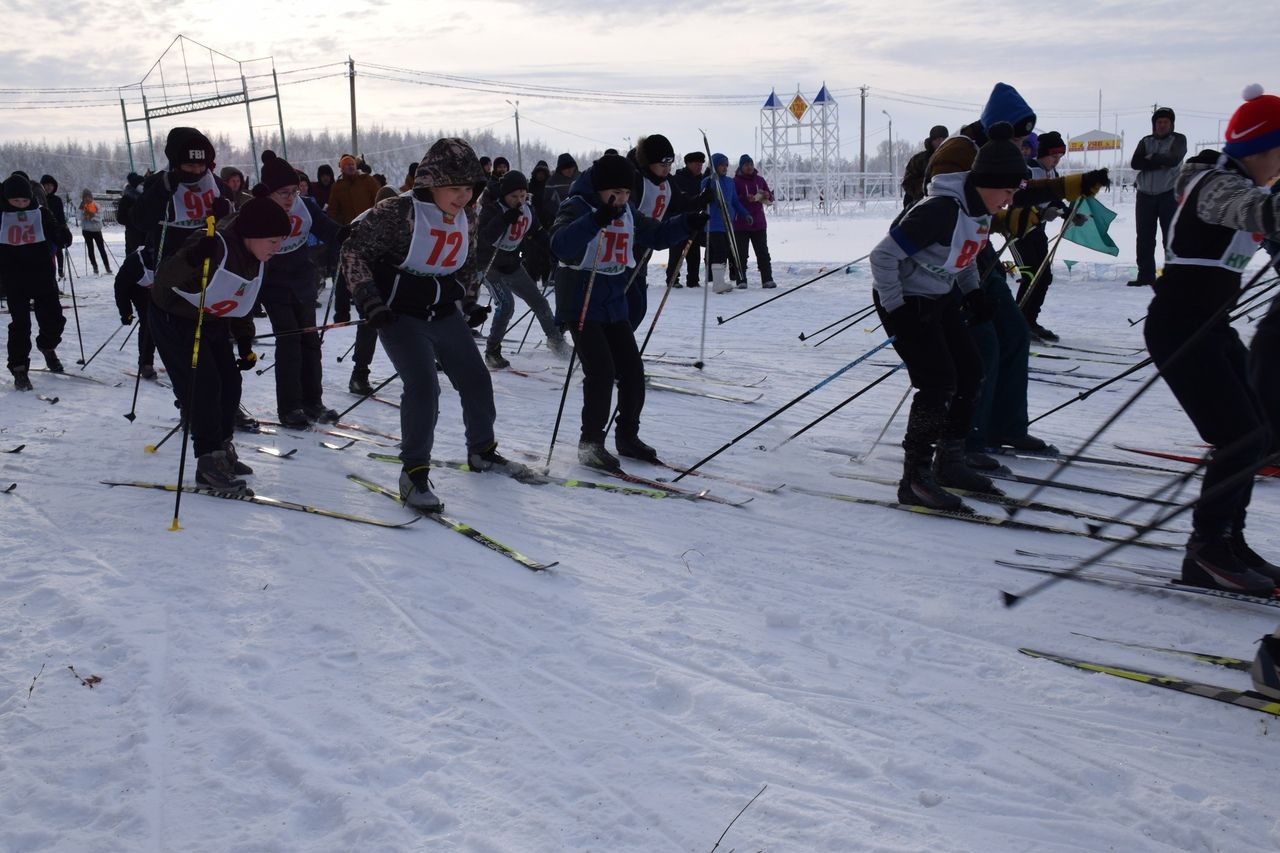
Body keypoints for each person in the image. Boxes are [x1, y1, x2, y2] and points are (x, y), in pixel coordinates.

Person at [926, 83, 1109, 465]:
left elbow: (1020, 188)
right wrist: (1011, 217)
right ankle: (966, 438)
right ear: (999, 125)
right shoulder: (959, 150)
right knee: (982, 343)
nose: (1026, 141)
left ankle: (1006, 425)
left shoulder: (999, 151)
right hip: (949, 258)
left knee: (1013, 332)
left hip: (979, 252)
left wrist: (1070, 187)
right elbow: (961, 203)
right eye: (1020, 132)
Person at [1143, 84, 1280, 594]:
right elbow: (1258, 214)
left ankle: (1229, 540)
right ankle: (1206, 550)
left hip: (1209, 326)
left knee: (1259, 431)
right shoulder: (1217, 185)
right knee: (1239, 435)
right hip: (1180, 329)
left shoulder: (1246, 185)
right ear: (1263, 149)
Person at [341, 137, 512, 511]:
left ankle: (482, 450)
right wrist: (370, 301)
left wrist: (468, 302)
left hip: (444, 312)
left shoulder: (468, 215)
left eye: (469, 188)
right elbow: (353, 250)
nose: (464, 196)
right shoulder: (397, 212)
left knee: (477, 380)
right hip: (400, 315)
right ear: (429, 183)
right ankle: (414, 472)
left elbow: (466, 261)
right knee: (424, 388)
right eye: (455, 188)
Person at [870, 124, 1028, 510]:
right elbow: (883, 257)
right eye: (1007, 191)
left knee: (971, 371)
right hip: (904, 301)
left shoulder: (979, 210)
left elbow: (966, 255)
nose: (1008, 201)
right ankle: (916, 478)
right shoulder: (940, 210)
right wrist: (898, 310)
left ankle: (950, 462)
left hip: (938, 298)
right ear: (986, 182)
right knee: (938, 383)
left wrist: (973, 293)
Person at [549, 153, 705, 470]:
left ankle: (627, 437)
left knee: (633, 372)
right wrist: (595, 220)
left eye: (625, 194)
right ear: (600, 189)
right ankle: (590, 443)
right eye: (614, 194)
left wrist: (687, 222)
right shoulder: (577, 206)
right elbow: (560, 244)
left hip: (612, 303)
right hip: (580, 303)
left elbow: (655, 234)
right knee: (601, 372)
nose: (620, 200)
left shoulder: (627, 211)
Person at [149, 195, 290, 494]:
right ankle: (208, 461)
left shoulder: (257, 257)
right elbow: (164, 276)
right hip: (175, 316)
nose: (278, 248)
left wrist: (243, 341)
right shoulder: (213, 242)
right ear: (253, 234)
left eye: (280, 241)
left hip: (212, 318)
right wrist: (193, 258)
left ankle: (223, 449)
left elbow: (242, 298)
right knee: (204, 384)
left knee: (230, 381)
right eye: (273, 241)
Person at [255, 151, 347, 427]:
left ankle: (313, 402)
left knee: (310, 342)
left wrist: (346, 234)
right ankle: (290, 407)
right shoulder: (258, 211)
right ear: (268, 192)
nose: (289, 198)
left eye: (294, 191)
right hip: (274, 286)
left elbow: (327, 227)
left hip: (303, 281)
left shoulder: (305, 205)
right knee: (290, 343)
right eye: (283, 192)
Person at [477, 169, 567, 368]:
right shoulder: (492, 209)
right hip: (489, 266)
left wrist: (554, 249)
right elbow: (484, 239)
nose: (518, 200)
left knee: (540, 302)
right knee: (506, 304)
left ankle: (556, 342)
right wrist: (503, 220)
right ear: (504, 194)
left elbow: (537, 232)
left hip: (512, 265)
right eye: (513, 196)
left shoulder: (527, 209)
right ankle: (493, 351)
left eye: (522, 195)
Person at [2, 173, 71, 390]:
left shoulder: (40, 212)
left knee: (54, 319)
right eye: (16, 201)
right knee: (20, 325)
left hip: (42, 274)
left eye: (24, 200)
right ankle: (19, 368)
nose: (21, 205)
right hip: (14, 278)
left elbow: (55, 230)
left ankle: (47, 346)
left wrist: (63, 234)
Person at [131, 127, 235, 264]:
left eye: (201, 165)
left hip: (209, 262)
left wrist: (225, 215)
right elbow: (141, 221)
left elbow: (233, 222)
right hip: (172, 265)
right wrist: (160, 193)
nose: (197, 171)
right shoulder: (161, 182)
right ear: (177, 164)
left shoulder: (216, 184)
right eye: (190, 165)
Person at [1016, 130, 1069, 342]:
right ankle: (1018, 321)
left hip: (1038, 231)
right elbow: (1018, 200)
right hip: (1019, 230)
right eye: (1053, 157)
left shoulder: (1052, 174)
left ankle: (1030, 320)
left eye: (1059, 158)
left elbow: (1054, 198)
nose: (1056, 161)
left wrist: (1068, 214)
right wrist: (1040, 212)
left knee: (1044, 276)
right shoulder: (1028, 170)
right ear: (1043, 154)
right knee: (1030, 275)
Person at [1129, 106, 1187, 287]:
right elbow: (1135, 163)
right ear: (1154, 124)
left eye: (1165, 122)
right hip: (1145, 194)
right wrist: (1158, 160)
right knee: (1144, 236)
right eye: (1158, 122)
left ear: (1171, 124)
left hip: (1169, 194)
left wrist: (1150, 159)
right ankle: (1145, 275)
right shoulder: (1145, 141)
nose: (1161, 125)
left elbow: (1174, 159)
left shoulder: (1178, 139)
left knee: (1170, 236)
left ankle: (1173, 274)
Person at [327, 154, 382, 325]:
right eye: (346, 165)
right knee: (344, 274)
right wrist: (339, 228)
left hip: (370, 231)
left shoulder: (368, 181)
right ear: (341, 169)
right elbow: (333, 211)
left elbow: (380, 201)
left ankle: (370, 306)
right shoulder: (338, 186)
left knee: (369, 271)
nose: (350, 167)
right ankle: (342, 312)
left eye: (352, 164)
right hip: (349, 233)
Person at [702, 153, 750, 293]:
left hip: (727, 224)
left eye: (726, 165)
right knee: (719, 251)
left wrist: (745, 214)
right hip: (714, 223)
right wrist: (711, 181)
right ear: (715, 166)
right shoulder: (707, 181)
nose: (724, 168)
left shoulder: (730, 182)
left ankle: (720, 281)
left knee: (725, 251)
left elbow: (735, 201)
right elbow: (705, 196)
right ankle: (717, 283)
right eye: (721, 165)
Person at [113, 246, 158, 379]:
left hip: (163, 288)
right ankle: (145, 363)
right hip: (138, 290)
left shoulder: (170, 259)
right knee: (148, 322)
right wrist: (126, 313)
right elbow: (120, 289)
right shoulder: (134, 263)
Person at [733, 155, 775, 288]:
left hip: (759, 223)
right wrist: (745, 198)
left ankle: (767, 279)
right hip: (741, 224)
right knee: (741, 254)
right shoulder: (735, 181)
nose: (749, 167)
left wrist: (767, 195)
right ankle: (741, 280)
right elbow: (733, 200)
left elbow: (770, 197)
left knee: (762, 252)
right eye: (746, 164)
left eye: (751, 164)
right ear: (741, 166)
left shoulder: (760, 180)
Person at [673, 152, 707, 287]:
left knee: (694, 252)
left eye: (701, 164)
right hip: (679, 220)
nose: (699, 166)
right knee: (676, 252)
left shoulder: (702, 180)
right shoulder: (678, 179)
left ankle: (693, 280)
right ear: (688, 163)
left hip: (696, 221)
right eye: (696, 163)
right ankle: (673, 279)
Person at [901, 125, 948, 208]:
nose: (940, 142)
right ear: (932, 141)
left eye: (943, 139)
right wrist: (927, 186)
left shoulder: (952, 158)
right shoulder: (919, 160)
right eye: (937, 139)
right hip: (922, 205)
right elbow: (907, 183)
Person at [38, 175, 66, 279]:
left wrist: (63, 228)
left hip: (55, 229)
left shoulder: (57, 200)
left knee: (59, 250)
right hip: (43, 231)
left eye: (51, 185)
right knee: (48, 255)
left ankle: (60, 269)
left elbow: (61, 216)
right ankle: (49, 276)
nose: (49, 187)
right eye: (46, 185)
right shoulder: (38, 199)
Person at [79, 189, 111, 274]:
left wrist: (91, 216)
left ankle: (107, 267)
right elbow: (78, 217)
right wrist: (83, 214)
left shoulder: (96, 205)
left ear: (91, 197)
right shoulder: (81, 206)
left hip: (96, 230)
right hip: (86, 231)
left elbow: (100, 217)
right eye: (85, 197)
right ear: (83, 198)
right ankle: (95, 267)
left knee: (102, 249)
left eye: (89, 197)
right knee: (90, 250)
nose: (87, 198)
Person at [116, 172, 147, 254]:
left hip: (146, 234)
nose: (143, 185)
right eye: (141, 184)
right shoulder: (127, 199)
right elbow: (120, 218)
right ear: (135, 185)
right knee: (134, 258)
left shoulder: (146, 197)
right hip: (133, 235)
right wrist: (134, 217)